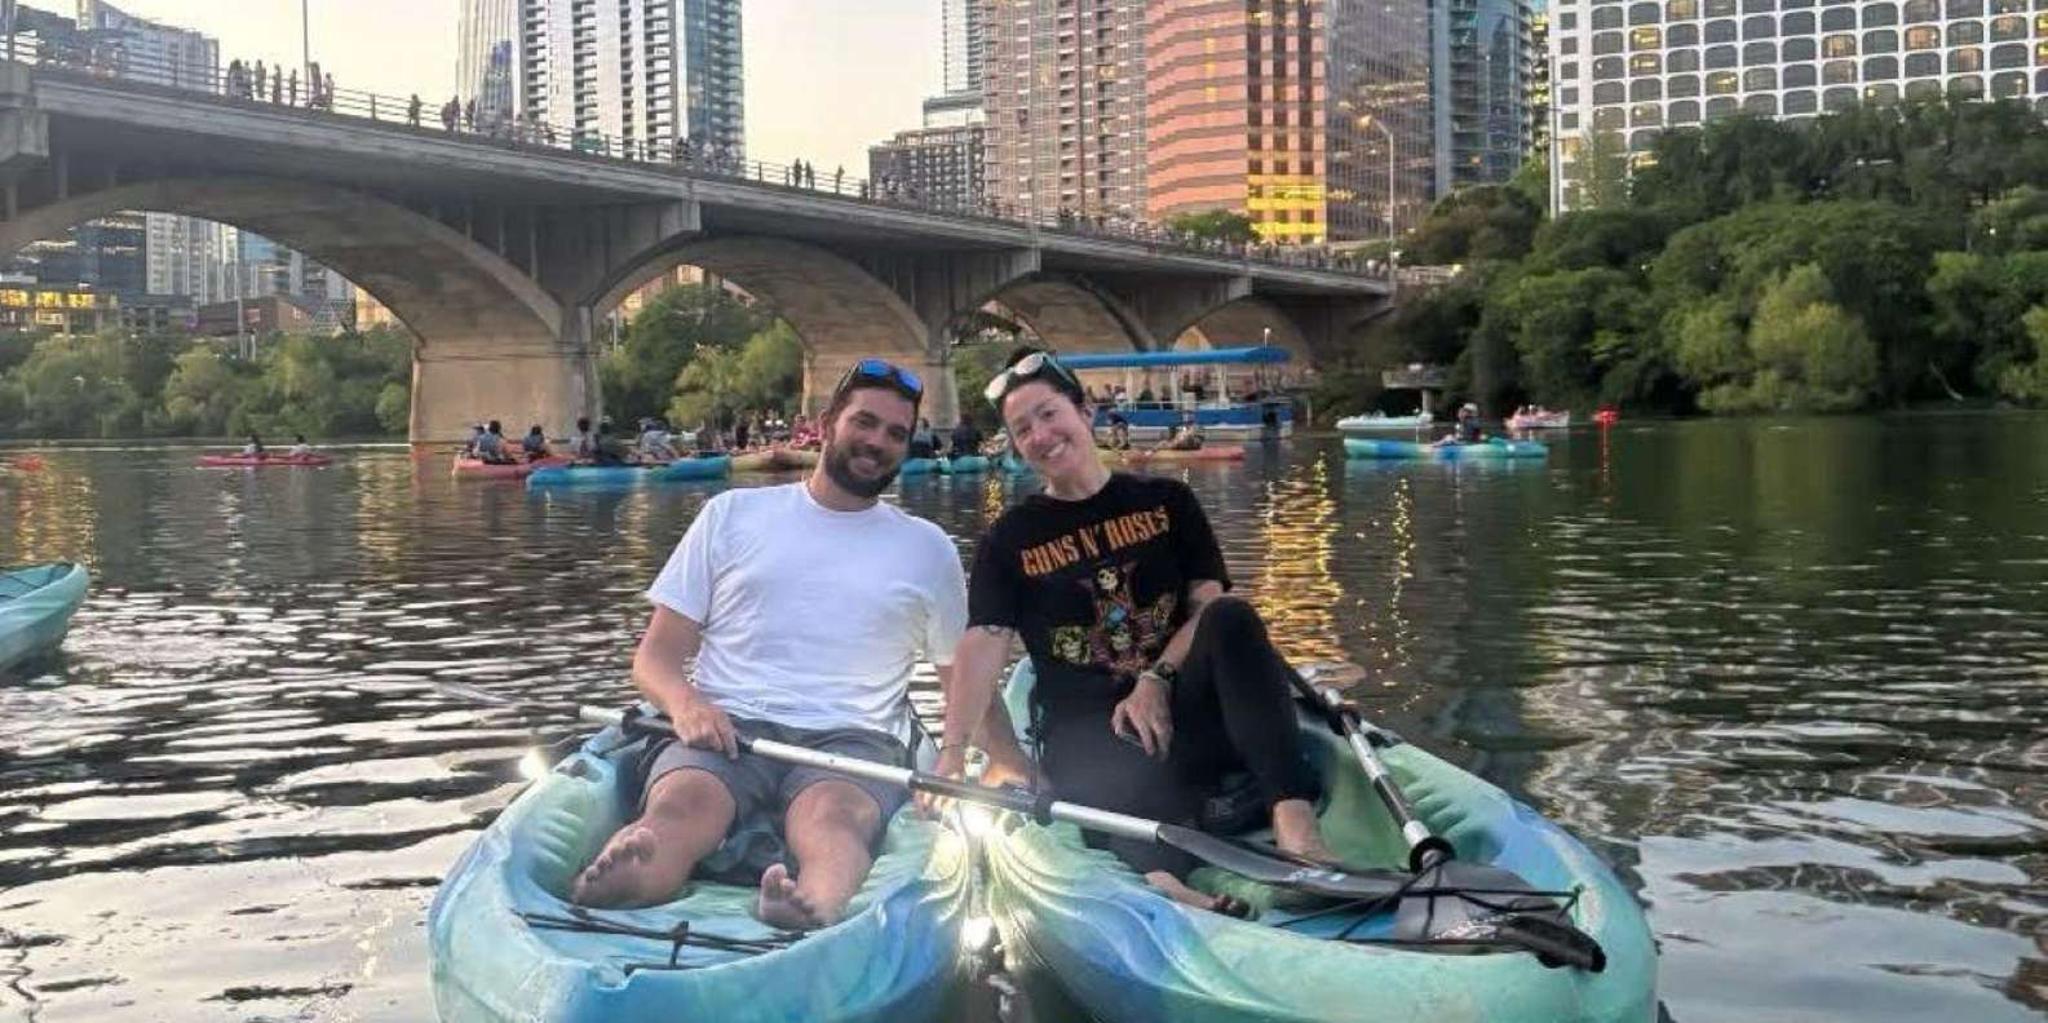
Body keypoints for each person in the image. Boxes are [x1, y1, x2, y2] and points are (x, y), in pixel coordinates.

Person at [930, 347, 1335, 918]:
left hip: (1185, 710)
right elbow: (983, 642)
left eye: (1049, 414)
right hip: (1095, 733)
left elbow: (1208, 606)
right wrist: (953, 751)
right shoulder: (1010, 539)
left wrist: (1157, 678)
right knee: (1097, 764)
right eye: (1023, 429)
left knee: (1232, 617)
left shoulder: (1166, 502)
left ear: (1085, 412)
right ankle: (1171, 885)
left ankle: (1295, 827)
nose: (1041, 435)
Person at [568, 357, 968, 929]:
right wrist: (686, 705)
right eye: (865, 421)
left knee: (831, 821)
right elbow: (654, 658)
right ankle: (637, 865)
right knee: (684, 806)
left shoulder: (929, 549)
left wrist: (961, 757)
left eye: (895, 433)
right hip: (726, 724)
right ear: (827, 423)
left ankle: (811, 903)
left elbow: (962, 681)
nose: (876, 441)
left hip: (852, 738)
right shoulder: (731, 514)